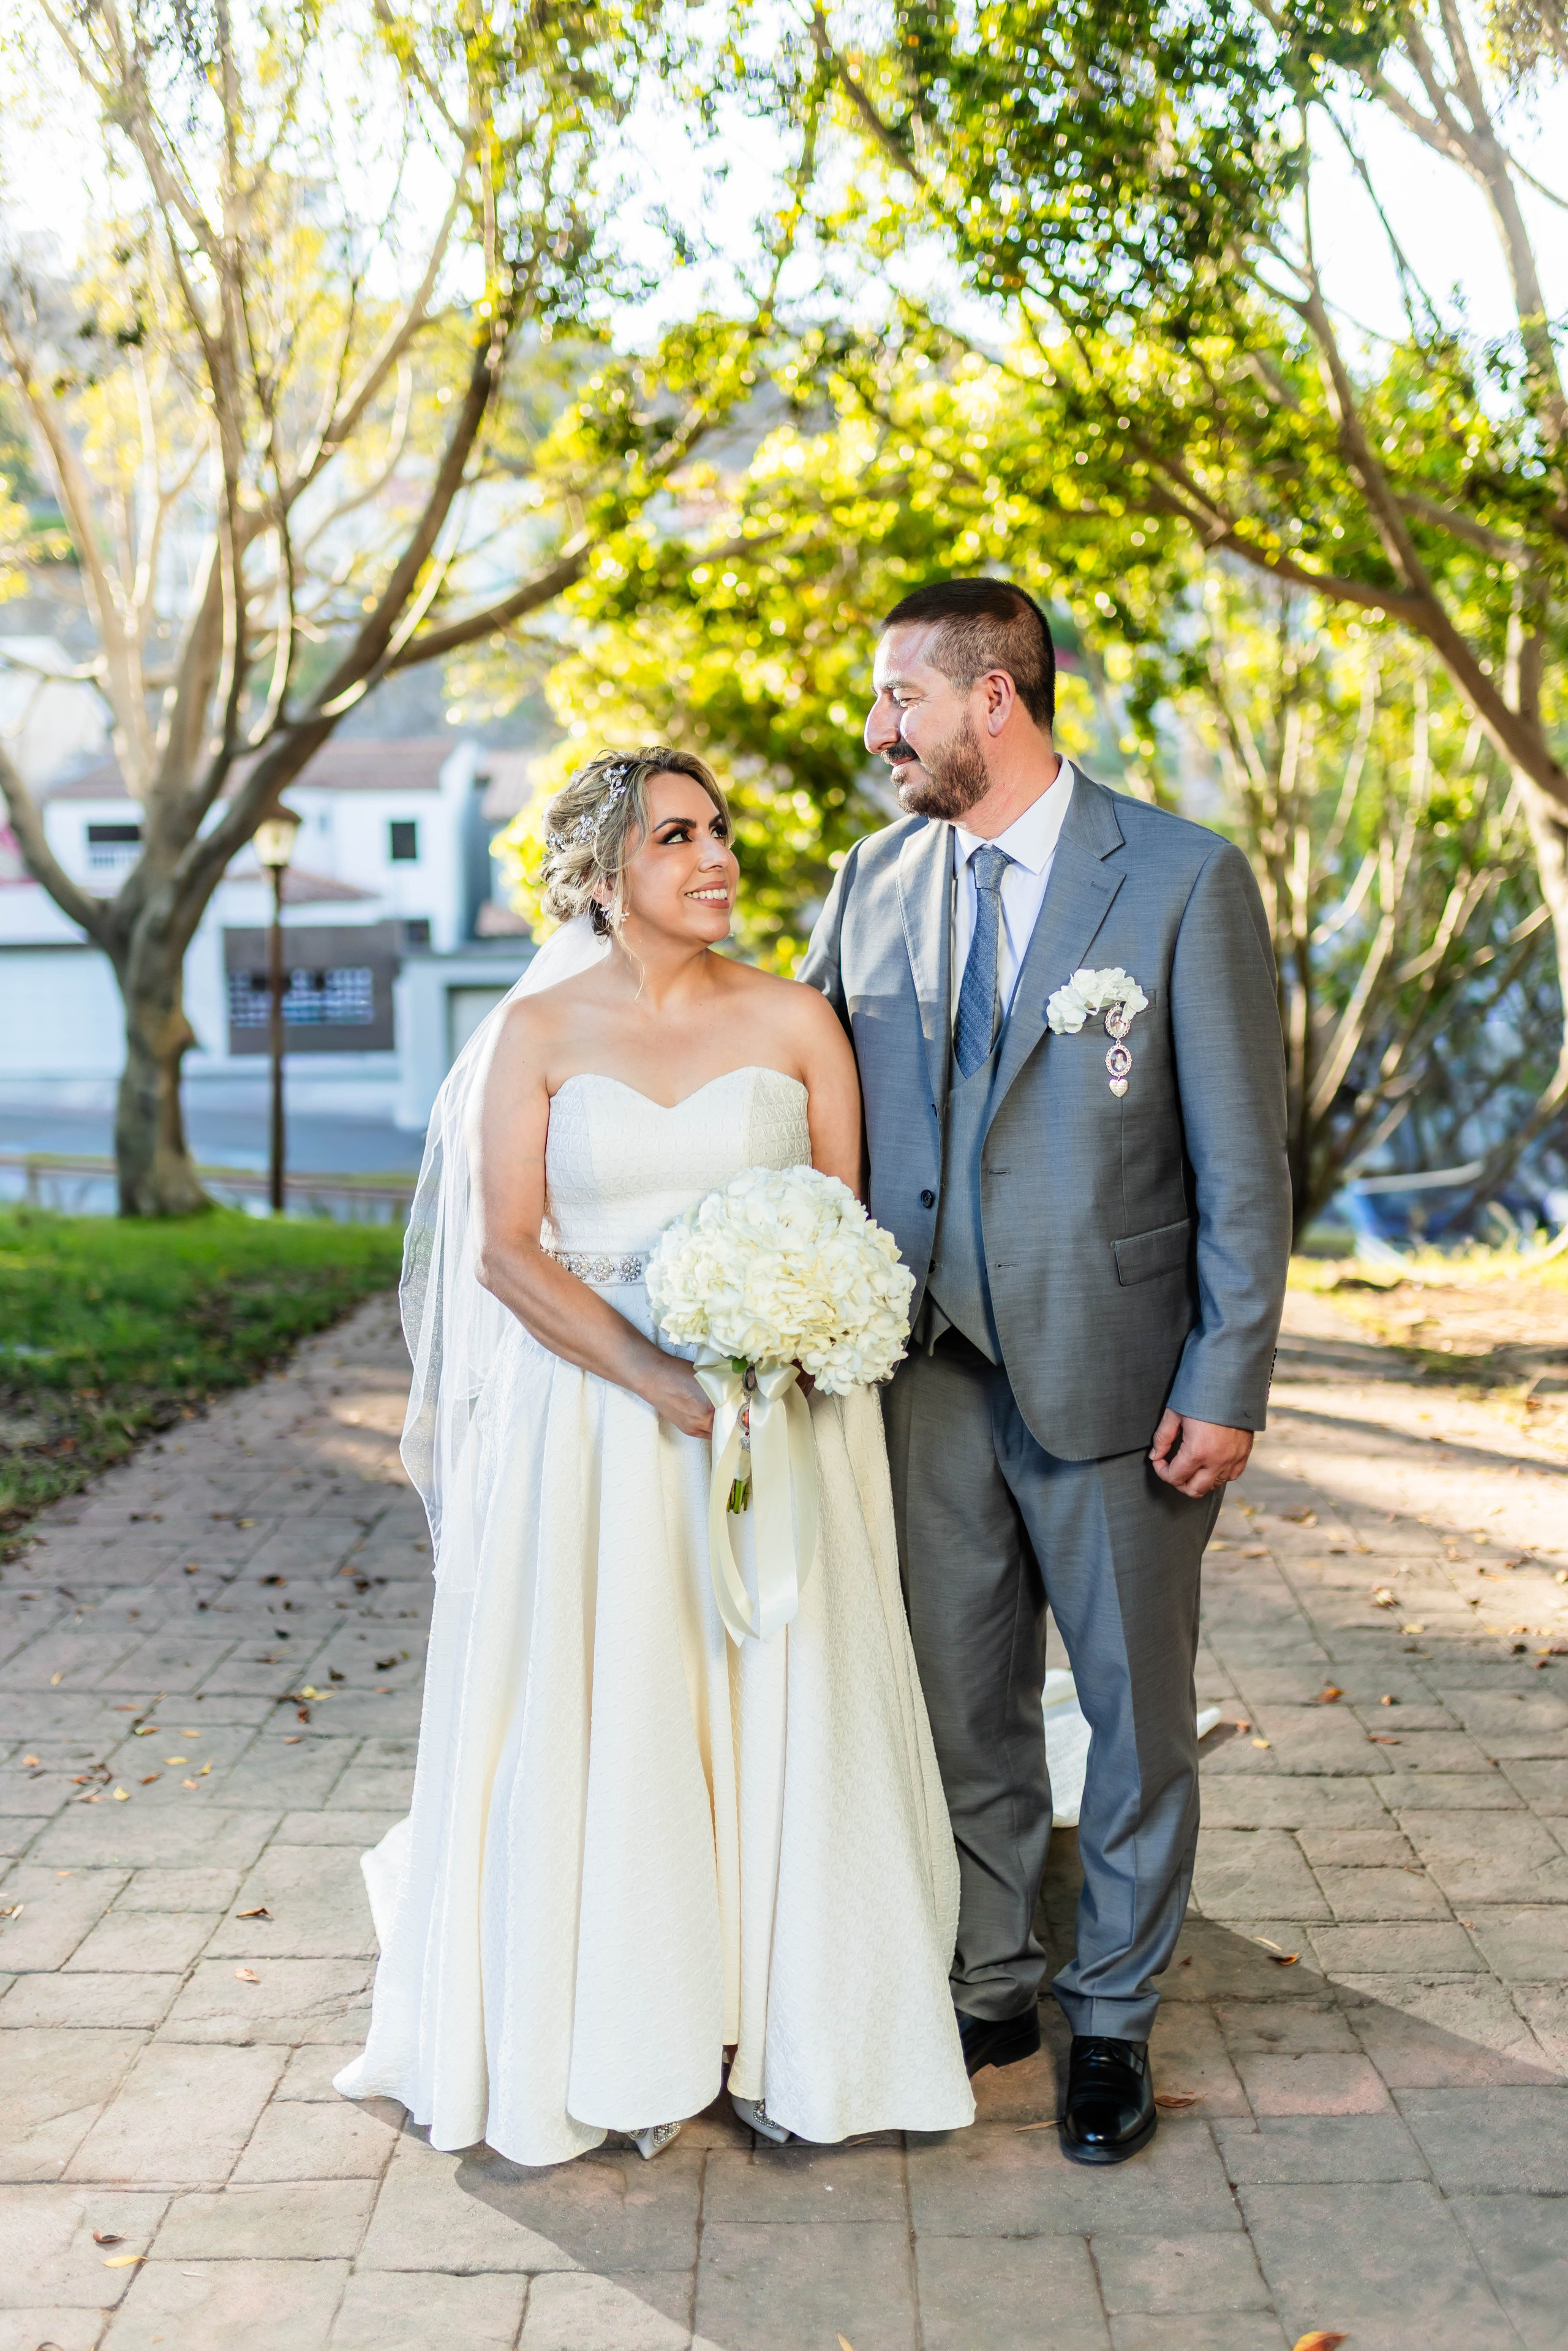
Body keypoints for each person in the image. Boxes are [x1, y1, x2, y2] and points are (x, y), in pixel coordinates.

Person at [334, 745, 974, 2166]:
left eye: (719, 829)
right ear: (602, 870)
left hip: (778, 1419)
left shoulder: (798, 1019)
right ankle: (629, 2019)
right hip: (595, 1426)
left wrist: (787, 1347)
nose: (716, 855)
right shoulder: (534, 1034)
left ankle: (790, 2016)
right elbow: (504, 1251)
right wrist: (656, 1378)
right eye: (676, 835)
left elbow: (845, 1226)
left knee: (779, 1688)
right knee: (620, 1694)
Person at [802, 578, 1292, 2164]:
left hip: (1120, 1369)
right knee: (960, 1700)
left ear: (993, 697)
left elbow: (1243, 1158)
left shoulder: (1179, 876)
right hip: (924, 1370)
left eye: (900, 698)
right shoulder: (869, 882)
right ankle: (991, 1977)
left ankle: (1111, 2017)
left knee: (1137, 1717)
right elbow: (799, 1092)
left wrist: (1225, 1372)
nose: (877, 730)